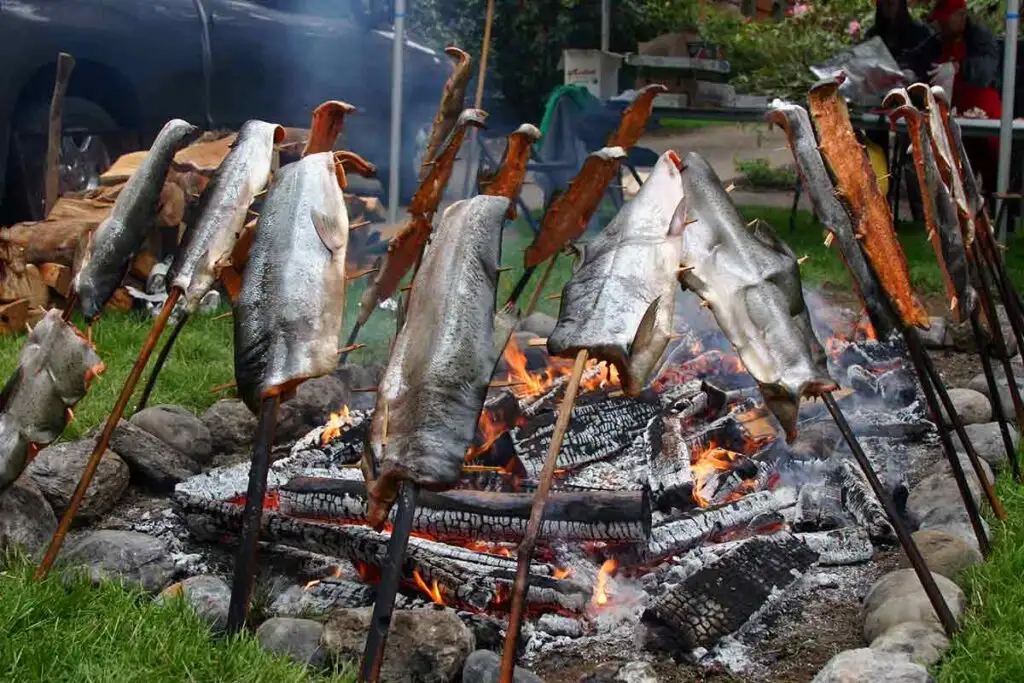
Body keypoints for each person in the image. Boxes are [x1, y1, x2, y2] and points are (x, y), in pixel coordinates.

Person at [926, 0, 1002, 190]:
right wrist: (907, 71)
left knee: (992, 174)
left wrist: (958, 67)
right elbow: (917, 58)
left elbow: (986, 70)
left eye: (946, 21)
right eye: (939, 22)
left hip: (984, 117)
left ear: (961, 16)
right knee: (955, 178)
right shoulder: (938, 41)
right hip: (952, 117)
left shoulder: (981, 38)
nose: (941, 26)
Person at [864, 0, 935, 81]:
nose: (887, 6)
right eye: (883, 2)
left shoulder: (920, 32)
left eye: (891, 3)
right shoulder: (872, 35)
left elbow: (929, 67)